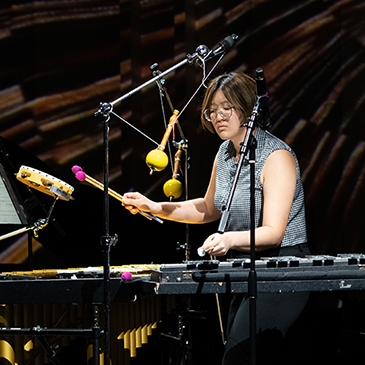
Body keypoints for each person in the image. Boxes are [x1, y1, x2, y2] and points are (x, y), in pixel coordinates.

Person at [122, 71, 310, 364]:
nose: (218, 116)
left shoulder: (276, 157)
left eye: (226, 108)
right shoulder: (224, 153)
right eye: (212, 111)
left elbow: (273, 232)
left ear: (248, 107)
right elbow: (209, 209)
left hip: (281, 270)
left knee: (237, 359)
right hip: (244, 267)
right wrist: (154, 207)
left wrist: (228, 239)